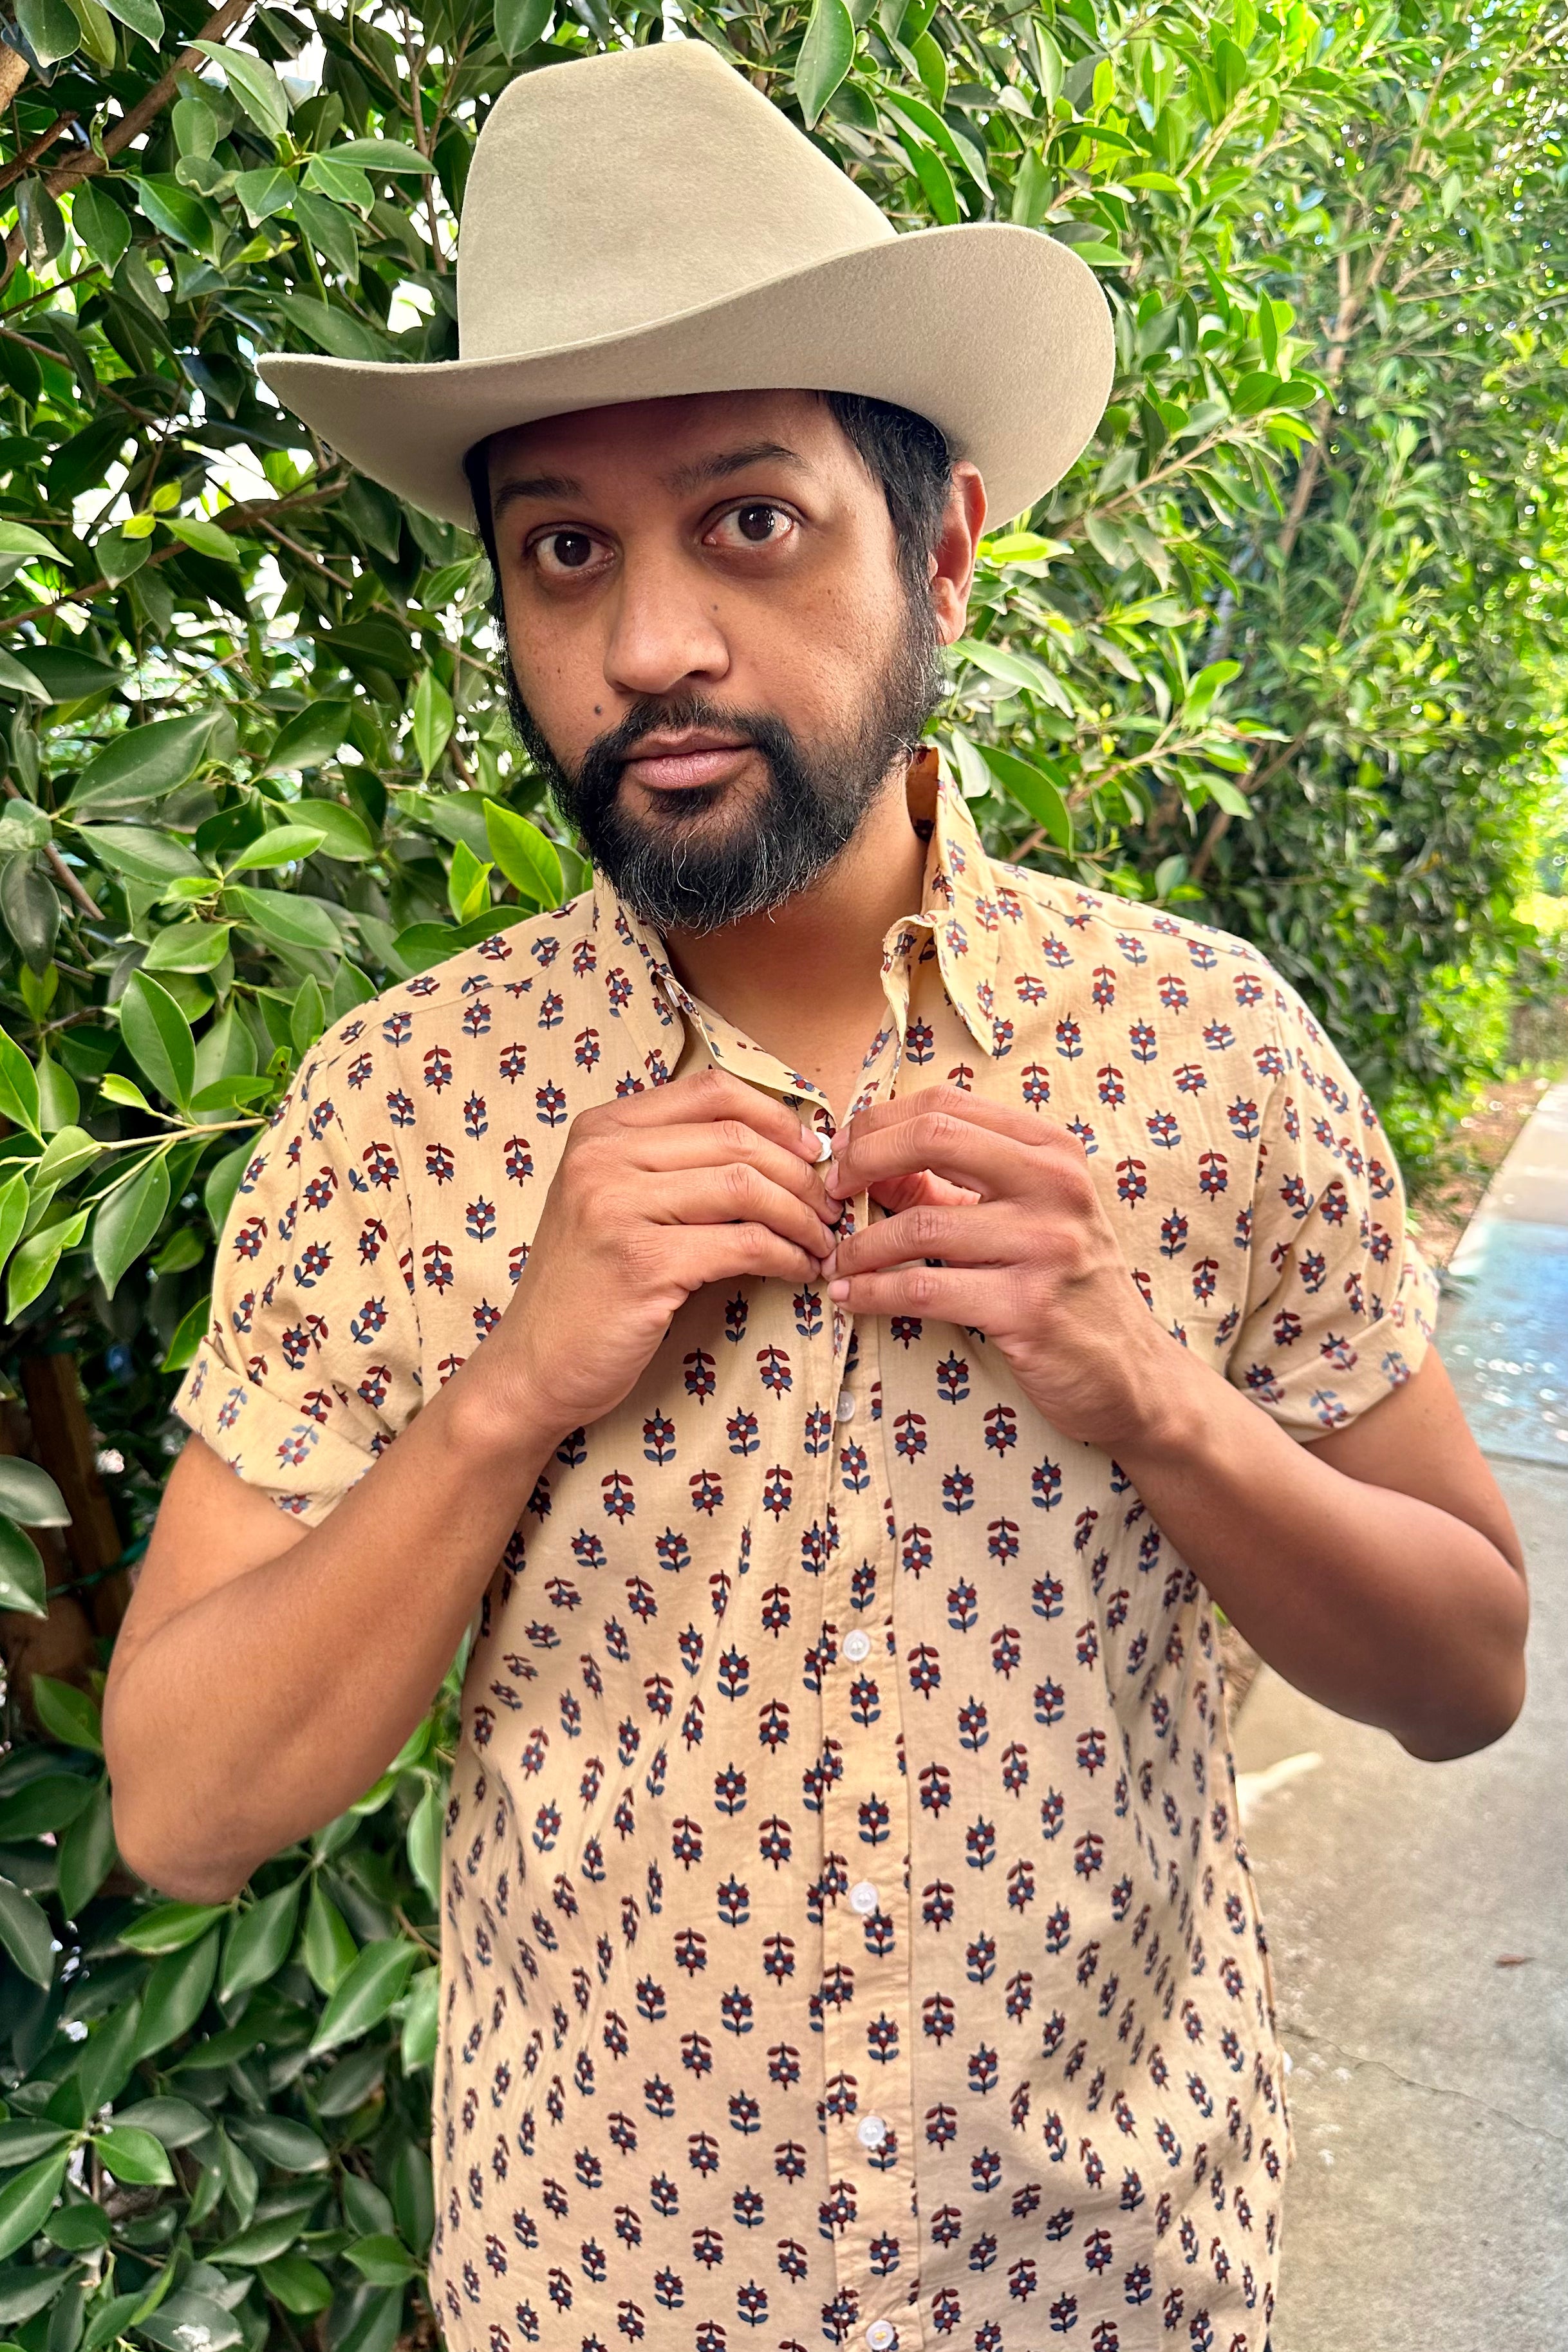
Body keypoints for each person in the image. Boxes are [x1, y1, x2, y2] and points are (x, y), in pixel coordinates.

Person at [102, 42, 1527, 2352]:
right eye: (563, 547)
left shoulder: (1204, 1052)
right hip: (600, 2299)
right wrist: (503, 1400)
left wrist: (1154, 1392)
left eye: (747, 522)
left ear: (941, 543)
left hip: (1113, 2295)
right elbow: (177, 1812)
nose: (648, 638)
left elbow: (1466, 1673)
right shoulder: (401, 1110)